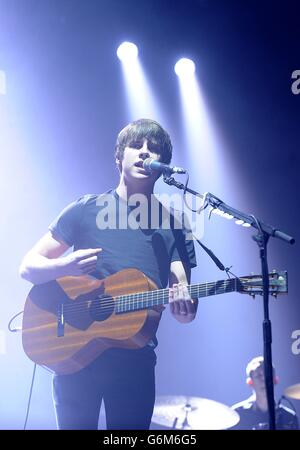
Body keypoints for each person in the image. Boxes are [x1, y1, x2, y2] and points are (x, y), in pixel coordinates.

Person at [19, 118, 198, 430]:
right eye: (137, 146)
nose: (145, 153)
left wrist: (185, 301)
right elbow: (28, 267)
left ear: (163, 165)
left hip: (134, 360)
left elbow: (184, 313)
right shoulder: (86, 209)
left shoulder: (175, 224)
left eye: (154, 150)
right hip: (73, 353)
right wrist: (66, 265)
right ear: (119, 157)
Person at [231, 356, 299, 430]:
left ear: (276, 380)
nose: (264, 380)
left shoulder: (289, 417)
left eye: (267, 375)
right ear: (250, 382)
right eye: (258, 376)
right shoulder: (236, 414)